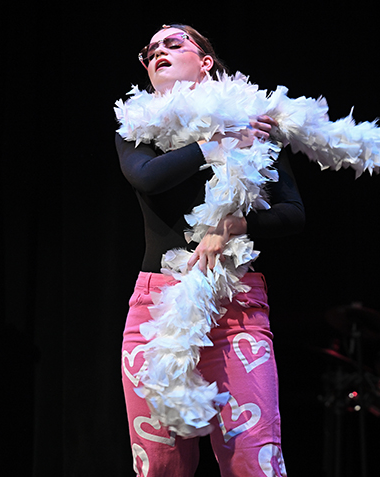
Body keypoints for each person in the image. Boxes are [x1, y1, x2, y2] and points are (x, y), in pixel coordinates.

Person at [116, 24, 304, 476]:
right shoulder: (136, 128)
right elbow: (147, 177)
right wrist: (215, 143)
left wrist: (241, 223)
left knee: (254, 457)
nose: (159, 50)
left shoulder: (255, 125)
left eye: (173, 43)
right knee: (160, 464)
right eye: (151, 49)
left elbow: (293, 212)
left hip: (236, 304)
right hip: (156, 307)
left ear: (204, 61)